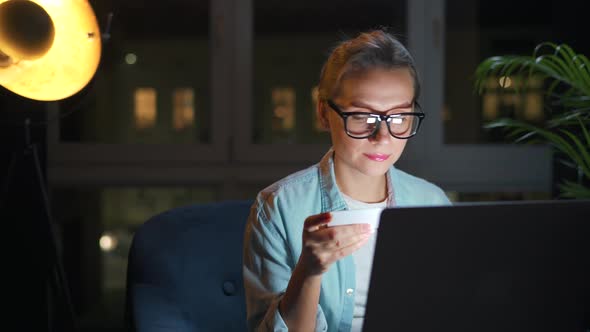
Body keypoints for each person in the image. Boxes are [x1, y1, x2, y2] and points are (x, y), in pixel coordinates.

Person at [242, 29, 451, 332]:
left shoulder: (433, 203)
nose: (382, 137)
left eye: (398, 118)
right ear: (324, 113)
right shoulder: (278, 208)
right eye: (362, 116)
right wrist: (309, 272)